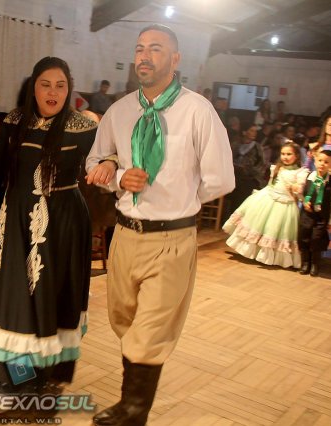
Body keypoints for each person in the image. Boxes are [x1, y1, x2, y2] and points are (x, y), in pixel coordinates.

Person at [85, 24, 234, 425]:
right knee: (124, 321)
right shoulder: (119, 111)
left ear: (175, 59)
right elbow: (94, 160)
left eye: (155, 49)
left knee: (150, 331)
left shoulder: (197, 110)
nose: (145, 56)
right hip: (124, 236)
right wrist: (118, 177)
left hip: (171, 238)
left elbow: (221, 178)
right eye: (140, 49)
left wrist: (178, 198)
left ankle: (133, 412)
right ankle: (128, 403)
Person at [0, 57, 98, 395]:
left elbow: (105, 159)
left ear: (69, 89)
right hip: (16, 223)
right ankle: (11, 378)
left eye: (61, 86)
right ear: (33, 88)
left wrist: (111, 163)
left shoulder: (83, 127)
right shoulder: (14, 121)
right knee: (15, 300)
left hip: (63, 225)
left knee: (51, 299)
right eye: (45, 85)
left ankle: (42, 378)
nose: (53, 92)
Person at [223, 141, 308, 268]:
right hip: (268, 198)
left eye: (289, 154)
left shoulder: (300, 172)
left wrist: (295, 187)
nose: (285, 157)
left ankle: (271, 257)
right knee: (260, 226)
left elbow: (299, 190)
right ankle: (256, 252)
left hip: (285, 204)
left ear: (297, 156)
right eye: (283, 154)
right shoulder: (277, 168)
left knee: (275, 230)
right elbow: (270, 184)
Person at [298, 150, 331, 276]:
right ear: (315, 161)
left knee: (316, 239)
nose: (322, 164)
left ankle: (315, 264)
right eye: (320, 161)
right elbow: (300, 192)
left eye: (326, 162)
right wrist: (303, 201)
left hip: (321, 217)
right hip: (306, 215)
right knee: (304, 237)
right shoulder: (308, 176)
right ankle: (305, 263)